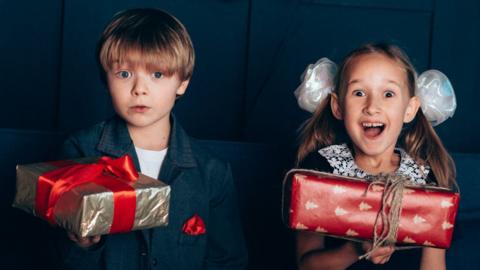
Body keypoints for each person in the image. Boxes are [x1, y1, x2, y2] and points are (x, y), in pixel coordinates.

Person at [54, 8, 247, 270]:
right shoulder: (81, 149)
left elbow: (228, 262)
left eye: (157, 74)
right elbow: (56, 257)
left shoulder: (212, 172)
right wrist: (84, 245)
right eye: (124, 74)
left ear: (182, 82)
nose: (139, 89)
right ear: (106, 78)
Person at [294, 43, 456, 270]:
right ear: (338, 106)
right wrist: (356, 249)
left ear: (409, 109)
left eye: (388, 94)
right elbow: (307, 265)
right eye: (359, 93)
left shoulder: (425, 180)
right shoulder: (320, 168)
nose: (372, 107)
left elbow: (434, 266)